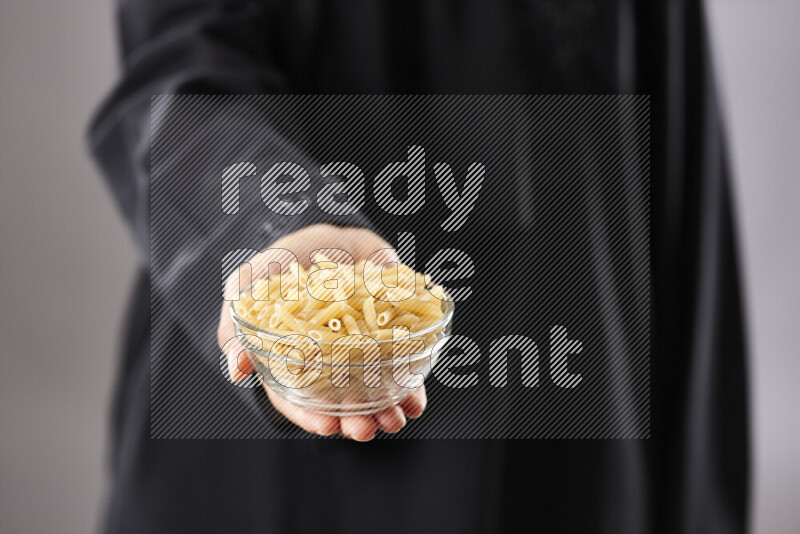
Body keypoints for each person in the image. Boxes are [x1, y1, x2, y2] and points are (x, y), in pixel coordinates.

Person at [89, 1, 748, 532]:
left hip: (581, 398)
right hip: (289, 447)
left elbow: (671, 148)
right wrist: (273, 225)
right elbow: (178, 68)